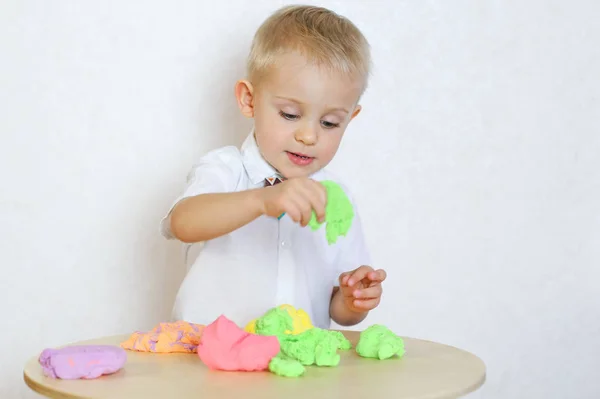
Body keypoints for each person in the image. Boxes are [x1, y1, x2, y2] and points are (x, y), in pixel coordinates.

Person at [160, 5, 387, 330]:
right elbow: (183, 223)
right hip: (207, 363)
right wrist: (262, 200)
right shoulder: (226, 168)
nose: (308, 135)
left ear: (350, 118)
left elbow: (338, 309)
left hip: (292, 368)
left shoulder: (337, 200)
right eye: (290, 115)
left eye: (329, 122)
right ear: (249, 100)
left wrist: (353, 301)